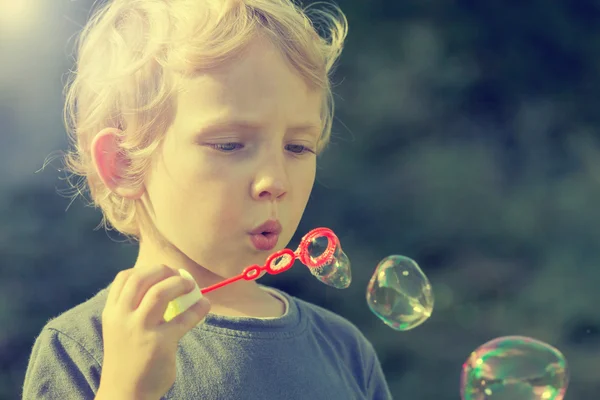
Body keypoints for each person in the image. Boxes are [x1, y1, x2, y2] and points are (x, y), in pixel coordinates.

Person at [22, 0, 393, 399]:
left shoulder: (346, 351)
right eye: (230, 144)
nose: (275, 181)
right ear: (124, 163)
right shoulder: (83, 348)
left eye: (299, 147)